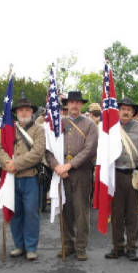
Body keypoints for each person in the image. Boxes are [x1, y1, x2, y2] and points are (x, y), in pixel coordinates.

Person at [46, 91, 98, 261]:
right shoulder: (57, 123)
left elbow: (89, 149)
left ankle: (81, 246)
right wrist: (56, 167)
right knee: (65, 211)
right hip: (61, 173)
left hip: (81, 172)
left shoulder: (90, 125)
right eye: (71, 102)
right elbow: (49, 150)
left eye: (78, 102)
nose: (74, 105)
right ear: (66, 105)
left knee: (81, 211)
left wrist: (69, 165)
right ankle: (67, 244)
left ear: (81, 105)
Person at [0, 97, 46, 261]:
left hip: (30, 176)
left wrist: (16, 164)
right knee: (15, 211)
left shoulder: (38, 130)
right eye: (20, 110)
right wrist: (7, 164)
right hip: (11, 178)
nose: (24, 112)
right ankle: (19, 245)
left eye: (27, 110)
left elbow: (38, 153)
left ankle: (31, 247)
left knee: (31, 213)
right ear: (16, 113)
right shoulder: (9, 128)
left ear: (32, 112)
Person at [105, 97, 138, 262]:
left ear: (133, 113)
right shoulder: (111, 128)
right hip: (115, 174)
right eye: (123, 109)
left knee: (133, 215)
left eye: (129, 110)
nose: (125, 112)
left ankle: (132, 247)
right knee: (116, 214)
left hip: (134, 175)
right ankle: (117, 247)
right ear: (118, 111)